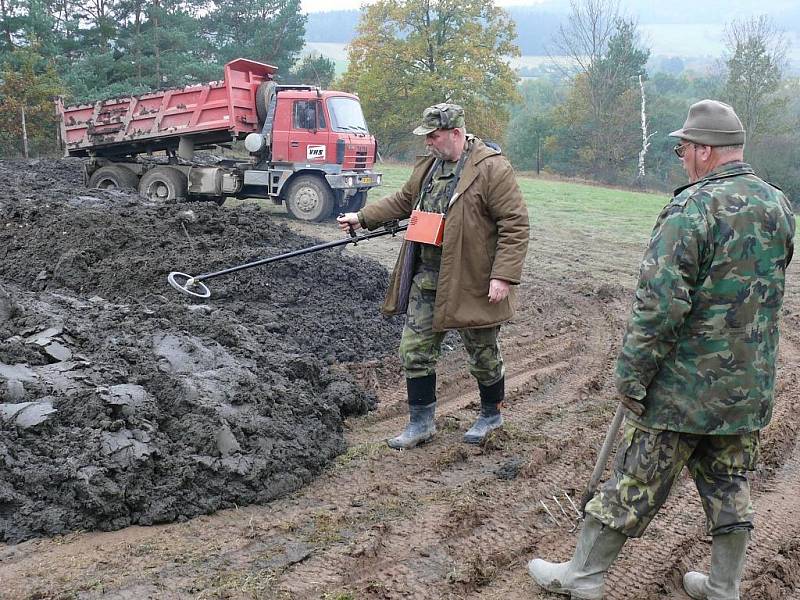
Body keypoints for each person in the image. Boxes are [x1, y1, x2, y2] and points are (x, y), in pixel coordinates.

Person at [528, 99, 795, 600]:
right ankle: (723, 588)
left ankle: (582, 577)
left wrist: (632, 375)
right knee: (731, 486)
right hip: (745, 387)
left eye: (682, 150)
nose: (682, 158)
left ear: (702, 151)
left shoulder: (691, 208)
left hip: (682, 390)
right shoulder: (779, 205)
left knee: (634, 480)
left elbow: (659, 305)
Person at [337, 103, 529, 449]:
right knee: (414, 350)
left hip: (474, 280)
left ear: (455, 133)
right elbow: (403, 201)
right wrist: (362, 217)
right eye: (426, 136)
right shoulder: (429, 166)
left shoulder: (491, 169)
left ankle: (491, 415)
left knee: (482, 353)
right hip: (428, 276)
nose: (428, 143)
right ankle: (420, 423)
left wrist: (503, 276)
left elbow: (514, 225)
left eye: (433, 136)